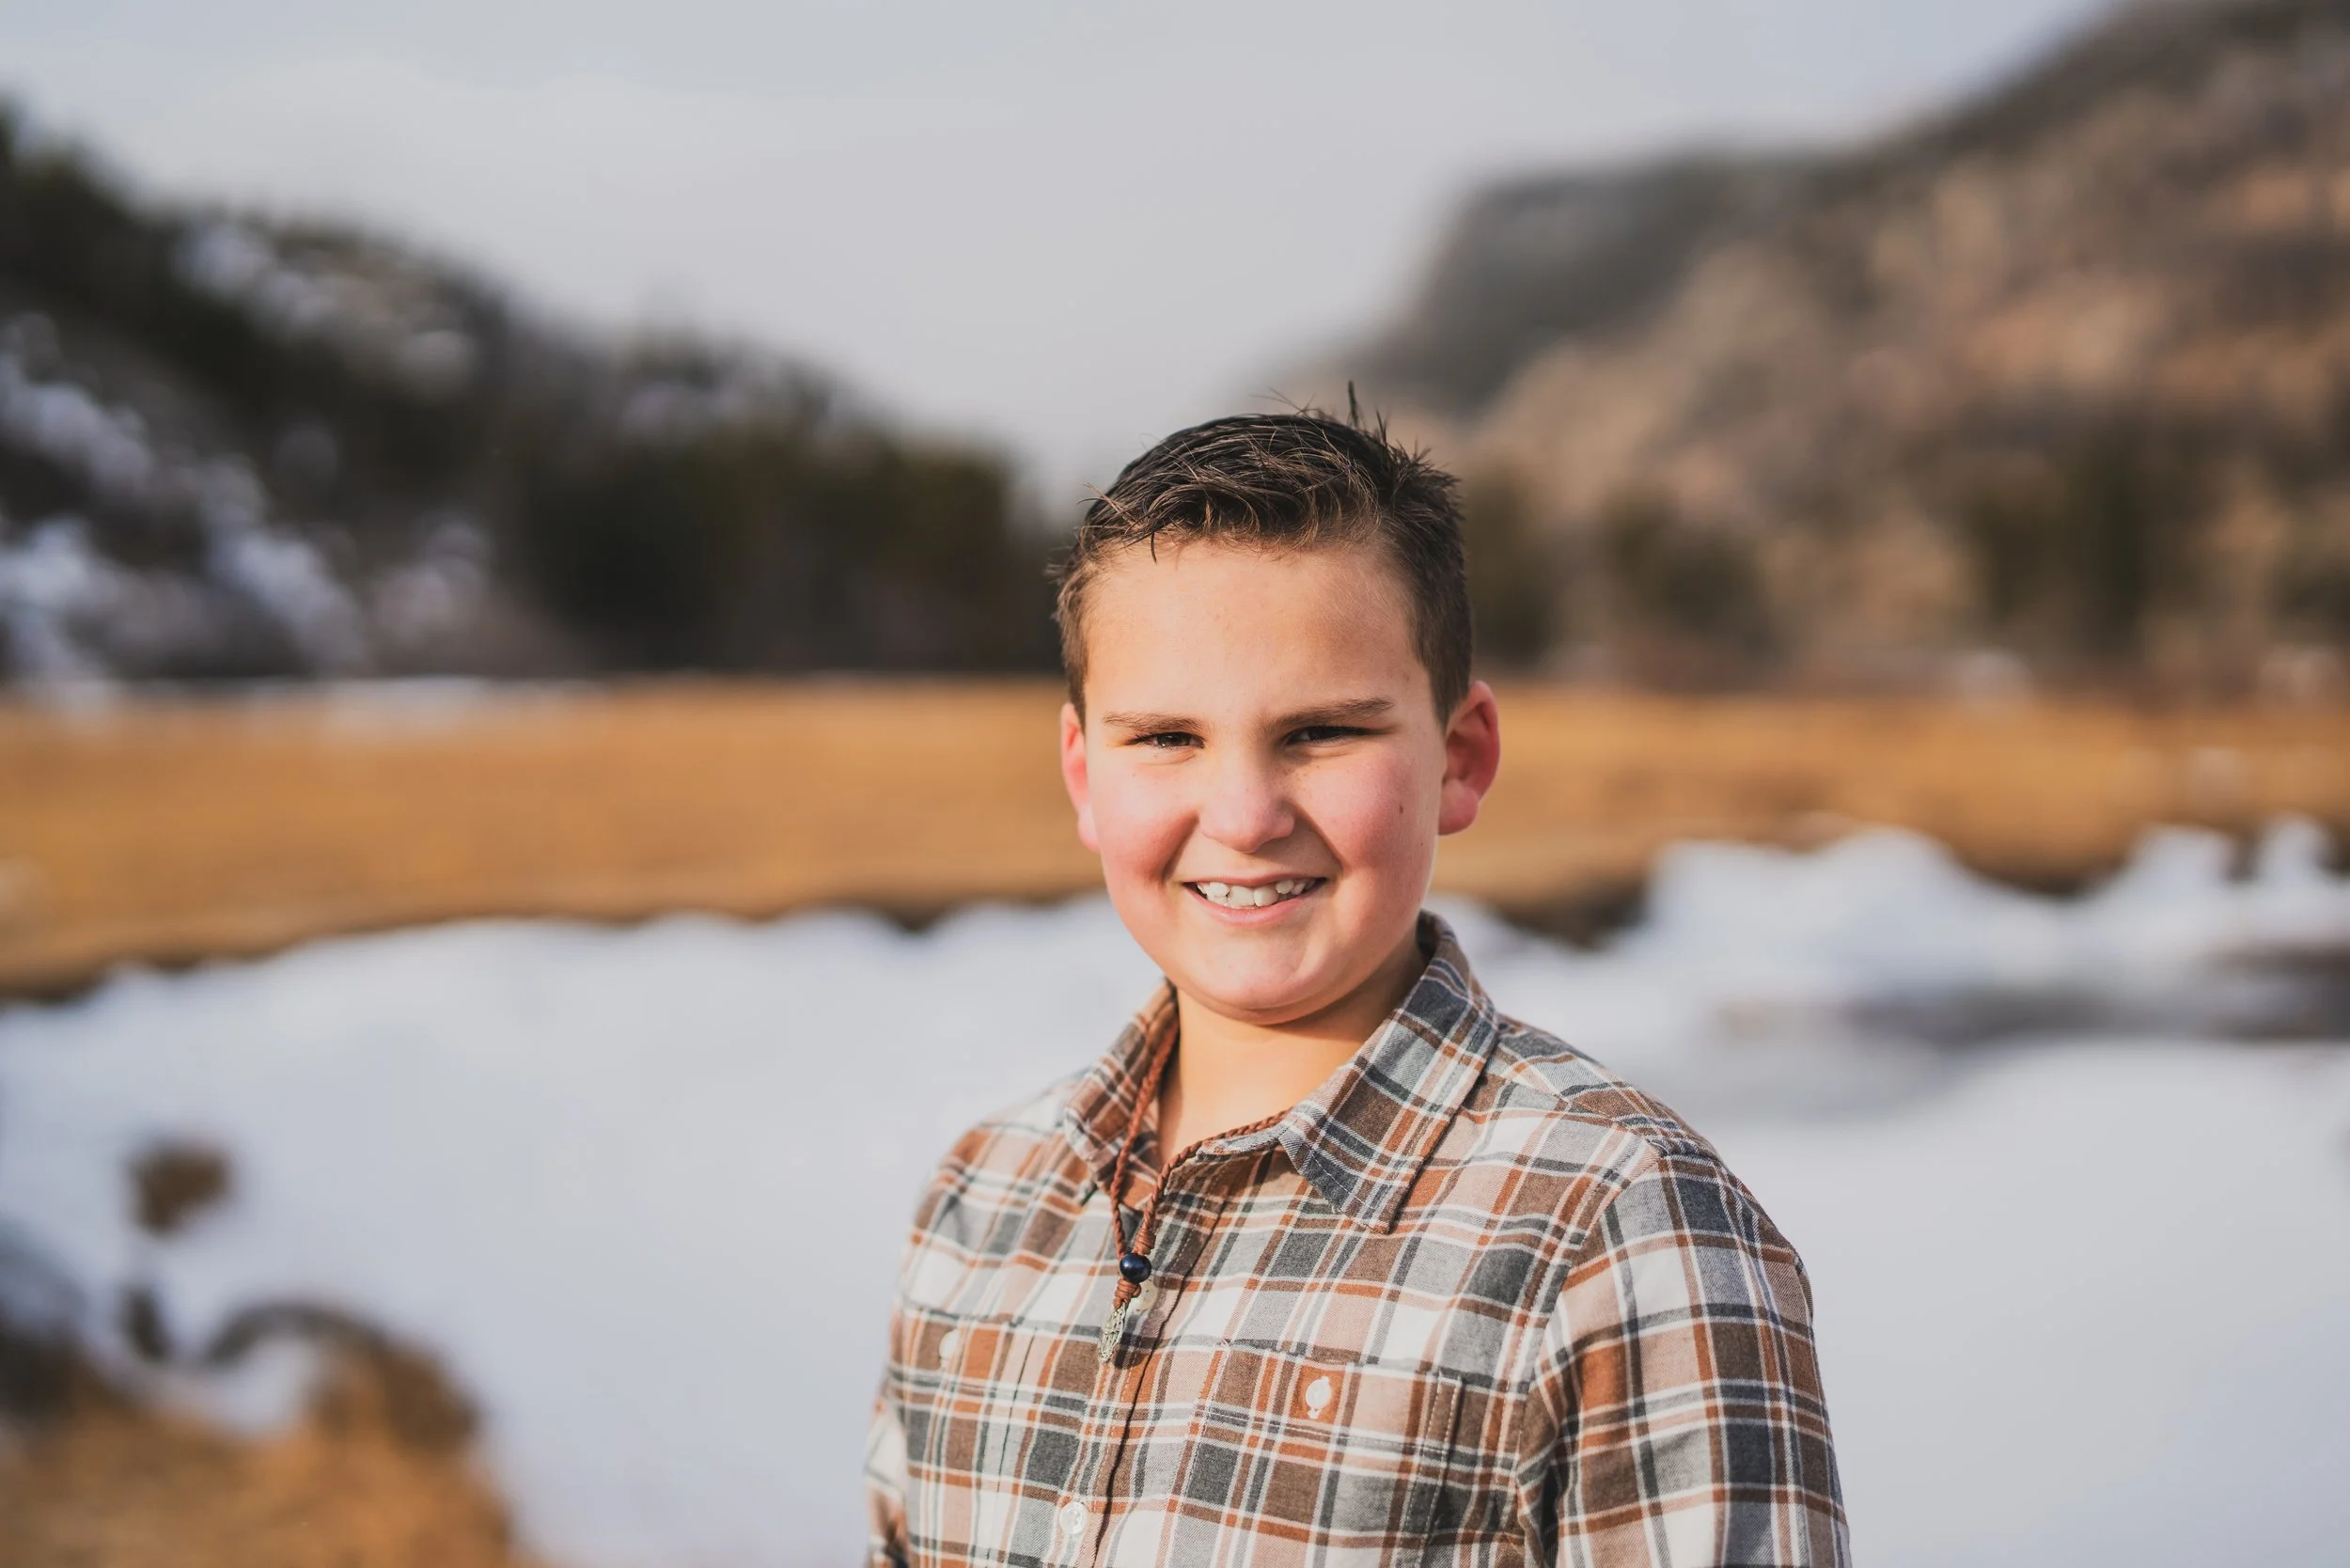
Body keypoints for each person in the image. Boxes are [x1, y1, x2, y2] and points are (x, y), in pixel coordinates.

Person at [864, 413, 1848, 1566]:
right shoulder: (986, 1203)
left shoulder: (1616, 1234)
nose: (1241, 817)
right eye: (1167, 737)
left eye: (1321, 732)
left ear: (1460, 757)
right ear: (1084, 774)